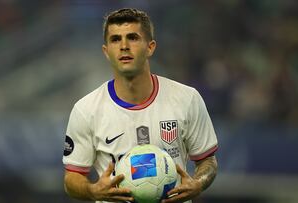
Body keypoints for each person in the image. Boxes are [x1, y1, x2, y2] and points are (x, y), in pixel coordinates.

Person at [62, 8, 218, 203]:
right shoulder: (86, 110)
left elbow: (207, 161)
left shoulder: (187, 99)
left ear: (150, 47)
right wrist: (92, 190)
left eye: (133, 37)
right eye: (115, 39)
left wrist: (198, 183)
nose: (124, 46)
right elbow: (72, 178)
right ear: (106, 51)